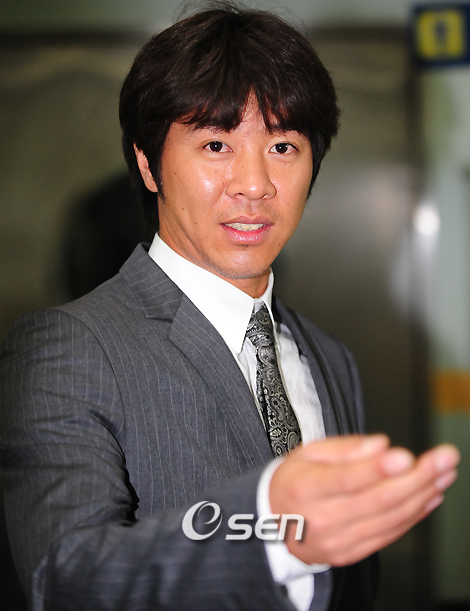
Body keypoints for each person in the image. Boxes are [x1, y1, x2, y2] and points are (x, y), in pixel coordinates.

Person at [0, 4, 459, 611]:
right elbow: (66, 577)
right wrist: (273, 529)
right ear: (149, 164)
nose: (254, 184)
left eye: (284, 146)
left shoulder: (329, 357)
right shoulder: (68, 348)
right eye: (216, 144)